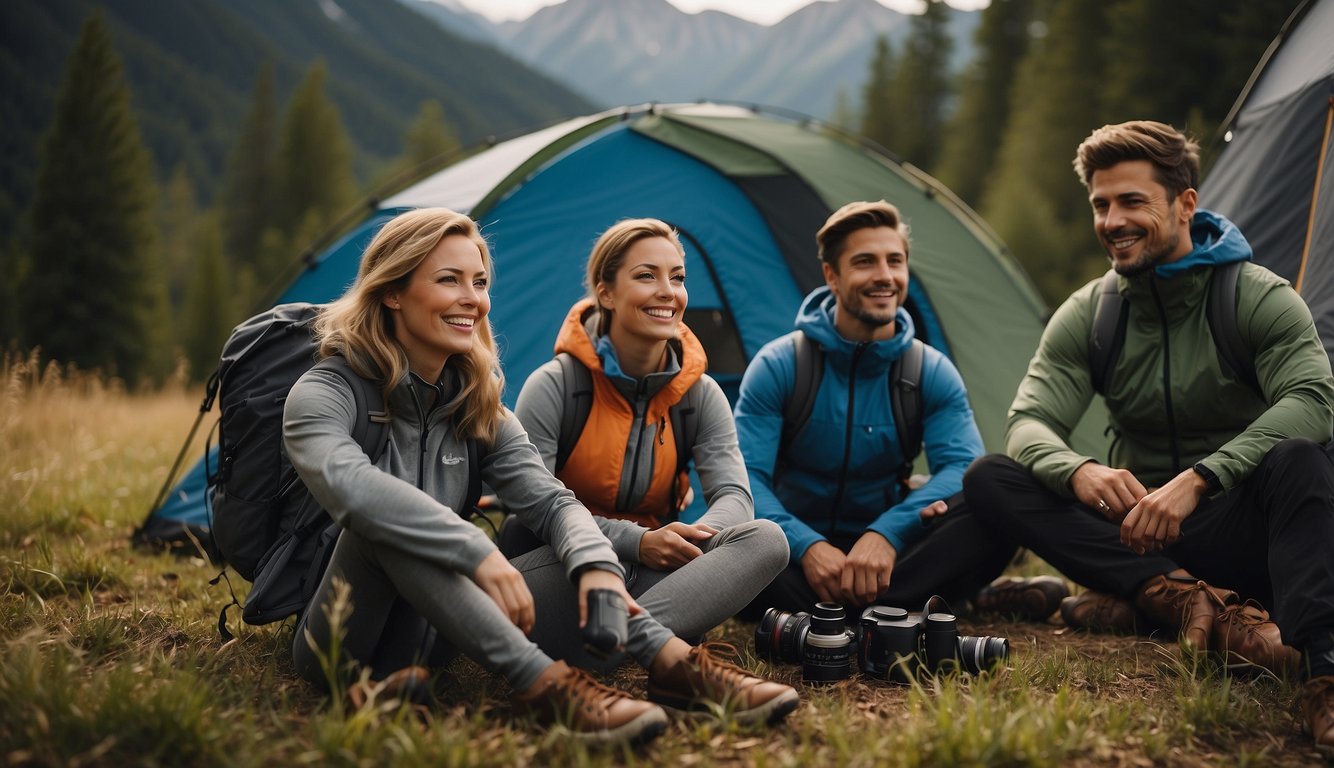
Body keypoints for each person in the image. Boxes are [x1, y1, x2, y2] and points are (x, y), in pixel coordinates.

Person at [283, 208, 798, 746]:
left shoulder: (478, 406)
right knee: (381, 522)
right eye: (449, 280)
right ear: (392, 291)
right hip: (343, 636)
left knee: (602, 545)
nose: (472, 298)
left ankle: (672, 663)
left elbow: (552, 501)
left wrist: (597, 562)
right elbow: (353, 489)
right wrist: (476, 551)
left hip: (443, 634)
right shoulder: (326, 391)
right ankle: (546, 685)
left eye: (479, 282)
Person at [961, 120, 1334, 754]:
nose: (1112, 220)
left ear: (1186, 203)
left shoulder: (1256, 298)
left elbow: (1315, 401)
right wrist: (1079, 471)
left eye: (1132, 201)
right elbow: (1028, 422)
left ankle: (1323, 673)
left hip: (1242, 526)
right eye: (1101, 205)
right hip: (1136, 536)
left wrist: (1201, 478)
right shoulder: (1091, 313)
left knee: (1301, 458)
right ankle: (1173, 599)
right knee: (992, 477)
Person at [733, 200, 1067, 619]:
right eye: (865, 262)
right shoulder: (781, 364)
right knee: (738, 538)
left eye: (895, 261)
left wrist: (886, 534)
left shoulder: (929, 370)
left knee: (991, 498)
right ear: (831, 276)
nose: (885, 277)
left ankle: (850, 611)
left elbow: (960, 466)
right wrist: (808, 546)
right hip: (795, 557)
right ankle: (917, 606)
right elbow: (746, 481)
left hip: (892, 559)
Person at [507, 218, 791, 658]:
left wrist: (685, 542)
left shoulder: (699, 394)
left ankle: (610, 642)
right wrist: (636, 541)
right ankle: (653, 634)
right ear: (606, 292)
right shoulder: (557, 386)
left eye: (677, 277)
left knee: (767, 538)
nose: (668, 291)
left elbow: (735, 495)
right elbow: (530, 510)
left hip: (657, 557)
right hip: (568, 561)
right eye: (646, 275)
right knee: (599, 560)